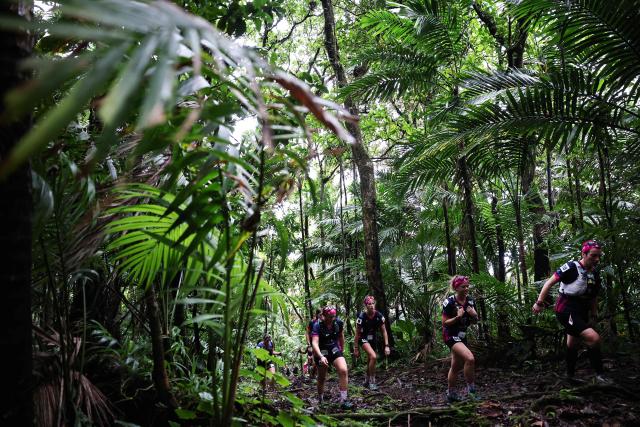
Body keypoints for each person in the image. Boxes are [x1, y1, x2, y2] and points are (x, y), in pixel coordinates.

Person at [533, 240, 608, 383]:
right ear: (584, 254)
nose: (597, 259)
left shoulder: (595, 274)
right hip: (566, 310)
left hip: (581, 311)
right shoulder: (571, 267)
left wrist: (594, 314)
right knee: (594, 338)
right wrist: (539, 303)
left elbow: (593, 296)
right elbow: (549, 283)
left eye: (599, 256)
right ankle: (599, 375)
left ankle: (570, 376)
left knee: (572, 344)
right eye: (593, 256)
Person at [442, 275, 479, 402]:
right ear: (456, 288)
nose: (466, 289)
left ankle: (451, 394)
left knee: (456, 366)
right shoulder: (450, 302)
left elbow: (474, 321)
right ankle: (472, 392)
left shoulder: (471, 301)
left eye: (468, 286)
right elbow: (445, 323)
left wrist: (474, 316)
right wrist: (457, 318)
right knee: (470, 358)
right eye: (463, 287)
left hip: (462, 335)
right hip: (450, 335)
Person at [311, 305, 353, 409]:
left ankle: (344, 400)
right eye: (330, 316)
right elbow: (314, 343)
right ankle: (320, 399)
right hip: (321, 351)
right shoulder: (317, 325)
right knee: (322, 377)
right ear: (324, 316)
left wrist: (341, 350)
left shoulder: (338, 323)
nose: (332, 318)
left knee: (343, 370)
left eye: (334, 316)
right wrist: (320, 356)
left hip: (334, 349)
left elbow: (340, 336)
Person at [354, 295, 390, 390]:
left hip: (373, 339)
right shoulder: (362, 317)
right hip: (363, 339)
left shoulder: (379, 315)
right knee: (373, 356)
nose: (371, 306)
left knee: (370, 360)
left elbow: (384, 331)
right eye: (369, 304)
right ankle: (372, 381)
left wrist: (387, 346)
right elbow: (357, 334)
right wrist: (356, 348)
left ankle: (366, 380)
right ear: (366, 305)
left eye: (373, 303)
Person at [304, 309, 321, 378]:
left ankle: (315, 374)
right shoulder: (312, 322)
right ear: (317, 314)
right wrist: (309, 344)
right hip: (313, 343)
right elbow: (307, 333)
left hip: (321, 343)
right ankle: (313, 374)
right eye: (320, 314)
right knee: (314, 359)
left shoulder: (324, 321)